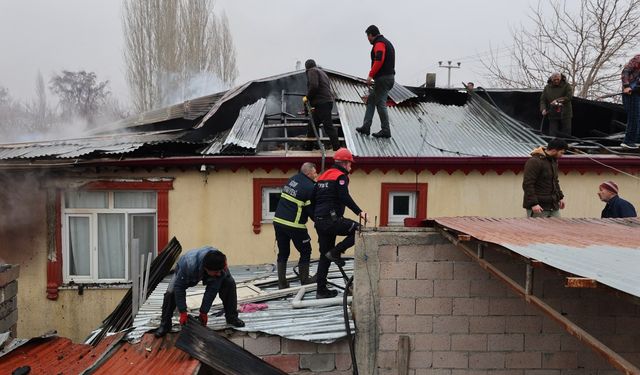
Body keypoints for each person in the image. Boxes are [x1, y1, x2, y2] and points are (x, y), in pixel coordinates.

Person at [313, 148, 368, 298]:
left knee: (324, 256)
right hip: (332, 220)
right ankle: (336, 252)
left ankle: (321, 291)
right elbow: (344, 196)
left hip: (319, 221)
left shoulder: (322, 176)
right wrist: (359, 212)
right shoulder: (341, 176)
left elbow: (313, 199)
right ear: (344, 163)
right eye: (350, 164)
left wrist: (316, 218)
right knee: (359, 229)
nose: (351, 167)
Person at [155, 246, 244, 337]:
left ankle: (232, 318)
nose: (219, 274)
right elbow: (179, 288)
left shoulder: (220, 265)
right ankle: (165, 325)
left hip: (211, 267)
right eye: (216, 272)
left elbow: (211, 291)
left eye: (220, 271)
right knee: (171, 293)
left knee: (229, 283)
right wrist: (183, 312)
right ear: (206, 269)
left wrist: (204, 312)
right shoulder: (188, 265)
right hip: (184, 270)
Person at [273, 162, 318, 289]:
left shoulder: (292, 179)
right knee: (306, 250)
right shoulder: (310, 187)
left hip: (278, 221)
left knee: (283, 252)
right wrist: (320, 222)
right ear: (308, 173)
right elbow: (310, 210)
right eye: (315, 173)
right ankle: (305, 280)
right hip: (294, 224)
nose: (316, 175)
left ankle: (282, 283)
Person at [356, 25, 395, 139]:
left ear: (371, 35)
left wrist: (370, 75)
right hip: (388, 78)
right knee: (373, 100)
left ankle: (384, 130)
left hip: (383, 78)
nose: (368, 39)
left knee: (379, 103)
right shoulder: (386, 43)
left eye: (368, 36)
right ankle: (367, 127)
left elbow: (379, 59)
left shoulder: (379, 43)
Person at [522, 138, 569, 218]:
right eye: (561, 152)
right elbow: (528, 184)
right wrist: (534, 204)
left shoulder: (553, 161)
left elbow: (555, 181)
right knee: (537, 230)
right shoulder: (534, 161)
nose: (562, 155)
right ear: (554, 150)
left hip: (553, 205)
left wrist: (560, 197)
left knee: (558, 229)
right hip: (538, 207)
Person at [303, 59, 340, 151]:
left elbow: (314, 86)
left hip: (322, 103)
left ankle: (337, 149)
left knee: (328, 126)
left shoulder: (312, 71)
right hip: (324, 103)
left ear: (307, 67)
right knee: (312, 125)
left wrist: (307, 97)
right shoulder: (322, 72)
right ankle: (309, 148)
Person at [539, 72, 573, 137]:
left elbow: (569, 97)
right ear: (551, 79)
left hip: (565, 113)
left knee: (566, 133)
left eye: (558, 79)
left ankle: (565, 146)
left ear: (560, 78)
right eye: (554, 80)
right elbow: (543, 100)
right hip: (552, 113)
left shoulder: (567, 85)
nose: (556, 81)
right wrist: (543, 109)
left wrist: (557, 100)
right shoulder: (547, 88)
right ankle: (553, 146)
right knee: (552, 133)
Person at [621, 54, 640, 149]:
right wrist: (626, 86)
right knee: (634, 117)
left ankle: (636, 140)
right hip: (631, 93)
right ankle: (628, 141)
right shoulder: (638, 59)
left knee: (638, 118)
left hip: (638, 93)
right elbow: (625, 72)